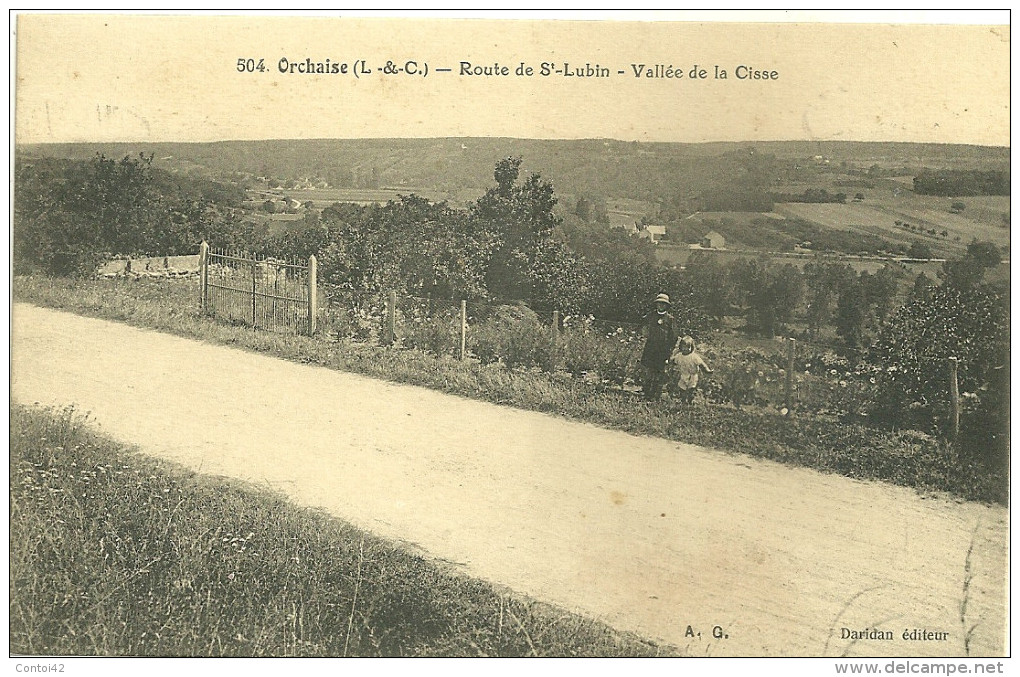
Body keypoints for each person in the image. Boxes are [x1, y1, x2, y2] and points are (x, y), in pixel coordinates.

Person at [639, 293, 679, 401]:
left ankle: (655, 394)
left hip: (662, 349)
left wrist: (669, 350)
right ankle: (646, 392)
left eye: (663, 304)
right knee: (648, 369)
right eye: (659, 303)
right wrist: (645, 332)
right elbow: (643, 324)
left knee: (659, 371)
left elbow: (674, 336)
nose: (661, 306)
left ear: (667, 306)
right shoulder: (651, 316)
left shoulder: (670, 319)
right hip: (651, 347)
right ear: (656, 304)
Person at [669, 335, 713, 404]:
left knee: (691, 389)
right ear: (681, 347)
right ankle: (683, 401)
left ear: (691, 347)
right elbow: (673, 361)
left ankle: (690, 400)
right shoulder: (679, 356)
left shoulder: (694, 356)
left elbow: (701, 364)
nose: (685, 349)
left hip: (692, 375)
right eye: (683, 347)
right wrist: (669, 363)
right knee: (682, 388)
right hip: (683, 375)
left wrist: (707, 370)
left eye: (688, 347)